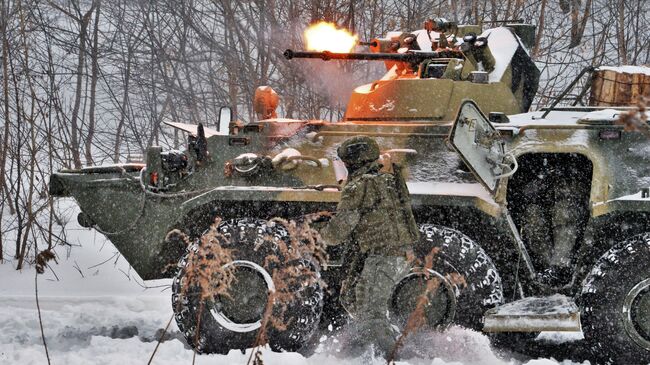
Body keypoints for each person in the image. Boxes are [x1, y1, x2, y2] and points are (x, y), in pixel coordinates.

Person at [320, 136, 420, 356]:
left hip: (384, 256)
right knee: (352, 298)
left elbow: (338, 232)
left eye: (344, 163)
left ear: (352, 163)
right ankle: (363, 349)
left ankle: (394, 358)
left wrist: (316, 234)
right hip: (396, 254)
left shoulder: (358, 187)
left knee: (371, 318)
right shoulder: (388, 179)